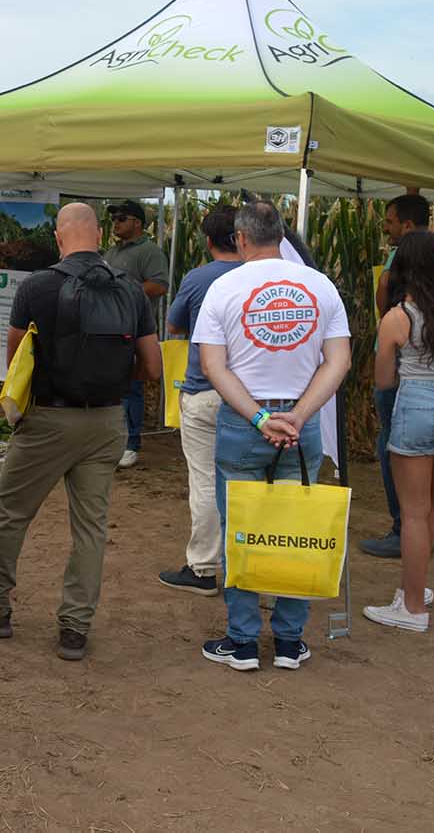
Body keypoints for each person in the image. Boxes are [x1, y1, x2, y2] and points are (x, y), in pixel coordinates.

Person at [0, 204, 160, 660]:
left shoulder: (37, 286)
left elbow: (19, 361)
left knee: (12, 513)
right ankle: (75, 627)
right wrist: (111, 381)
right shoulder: (131, 291)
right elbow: (152, 367)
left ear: (58, 238)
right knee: (90, 527)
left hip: (48, 421)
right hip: (109, 422)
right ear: (99, 236)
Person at [193, 200, 350, 672]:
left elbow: (212, 365)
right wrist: (300, 415)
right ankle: (289, 640)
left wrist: (261, 418)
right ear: (280, 235)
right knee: (296, 529)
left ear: (240, 239)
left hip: (245, 422)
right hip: (301, 429)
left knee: (239, 528)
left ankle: (241, 641)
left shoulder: (224, 288)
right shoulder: (321, 286)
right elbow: (338, 361)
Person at [364, 231, 434, 632]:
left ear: (403, 269)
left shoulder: (398, 317)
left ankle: (412, 608)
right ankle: (417, 586)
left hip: (419, 407)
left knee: (412, 513)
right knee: (432, 507)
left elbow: (383, 380)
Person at [362, 193, 434, 559]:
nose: (385, 227)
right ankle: (418, 530)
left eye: (389, 220)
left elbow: (385, 286)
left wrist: (388, 321)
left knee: (393, 444)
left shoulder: (404, 253)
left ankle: (403, 529)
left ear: (406, 224)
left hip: (404, 368)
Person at [157, 205, 242, 596]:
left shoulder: (199, 278)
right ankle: (250, 567)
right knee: (250, 482)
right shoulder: (260, 277)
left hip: (204, 389)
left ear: (208, 241)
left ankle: (204, 568)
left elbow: (174, 324)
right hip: (252, 400)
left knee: (206, 481)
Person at [103, 199, 169, 469]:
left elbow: (160, 284)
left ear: (138, 223)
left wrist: (123, 292)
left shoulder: (149, 251)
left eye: (122, 218)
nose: (116, 223)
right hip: (107, 327)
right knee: (112, 385)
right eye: (114, 219)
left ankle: (131, 443)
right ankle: (113, 439)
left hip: (134, 329)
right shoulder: (111, 251)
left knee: (132, 387)